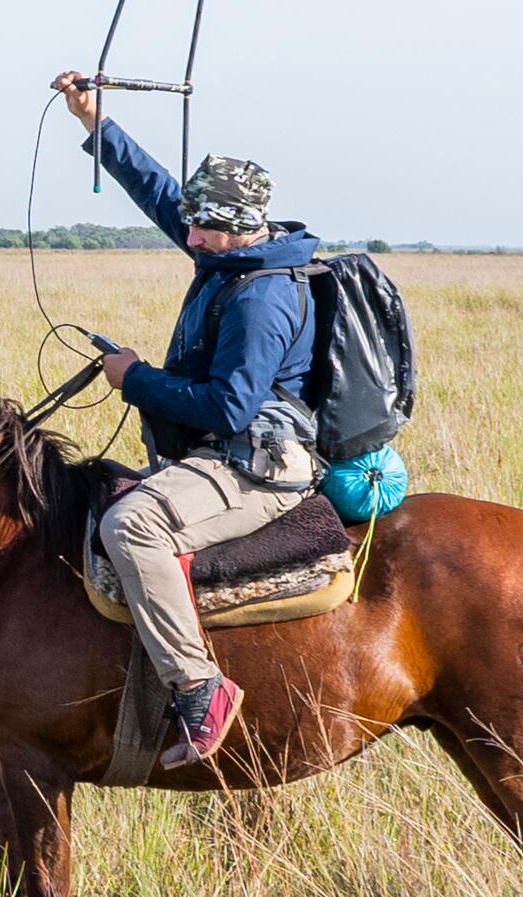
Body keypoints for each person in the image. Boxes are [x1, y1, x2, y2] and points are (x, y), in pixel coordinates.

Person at [49, 78, 322, 767]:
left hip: (256, 462)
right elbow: (159, 190)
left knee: (131, 524)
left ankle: (201, 689)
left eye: (200, 227)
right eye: (192, 224)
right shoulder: (228, 251)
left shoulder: (261, 297)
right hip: (224, 451)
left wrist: (134, 379)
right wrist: (95, 121)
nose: (188, 235)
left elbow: (229, 407)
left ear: (239, 228)